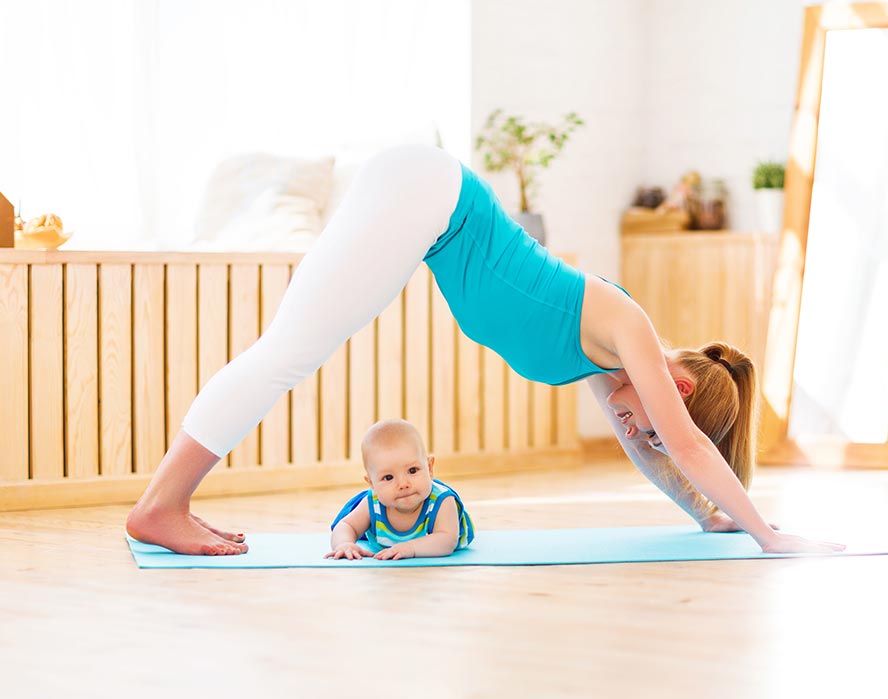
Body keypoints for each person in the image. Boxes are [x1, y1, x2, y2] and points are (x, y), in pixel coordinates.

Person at [126, 144, 844, 556]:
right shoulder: (630, 330)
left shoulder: (605, 362)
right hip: (431, 196)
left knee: (288, 350)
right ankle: (162, 505)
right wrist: (766, 537)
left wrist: (705, 516)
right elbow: (684, 445)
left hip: (428, 207)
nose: (634, 428)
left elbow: (656, 453)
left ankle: (166, 502)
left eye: (639, 429)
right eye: (647, 419)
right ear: (677, 388)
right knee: (287, 351)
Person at [324, 419, 474, 561]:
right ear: (372, 484)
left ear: (429, 468)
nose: (403, 484)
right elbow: (346, 526)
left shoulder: (442, 502)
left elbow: (446, 541)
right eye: (388, 477)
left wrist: (410, 548)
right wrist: (344, 544)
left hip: (451, 531)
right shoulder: (373, 504)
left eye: (413, 470)